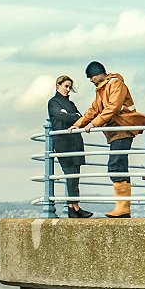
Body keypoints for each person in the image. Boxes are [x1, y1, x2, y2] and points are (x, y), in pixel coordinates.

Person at [68, 61, 145, 218]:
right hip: (115, 132)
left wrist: (93, 124)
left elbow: (113, 108)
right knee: (118, 165)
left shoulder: (116, 84)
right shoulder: (101, 89)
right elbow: (94, 109)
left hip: (123, 129)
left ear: (98, 74)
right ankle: (123, 208)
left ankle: (123, 208)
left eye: (91, 77)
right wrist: (78, 124)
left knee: (116, 164)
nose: (91, 80)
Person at [48, 75, 93, 218]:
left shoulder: (71, 104)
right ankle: (74, 207)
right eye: (66, 86)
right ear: (58, 86)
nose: (68, 90)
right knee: (70, 175)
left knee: (75, 175)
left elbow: (82, 118)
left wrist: (72, 115)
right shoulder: (53, 102)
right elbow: (64, 117)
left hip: (75, 141)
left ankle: (73, 207)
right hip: (63, 142)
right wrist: (73, 116)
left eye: (69, 87)